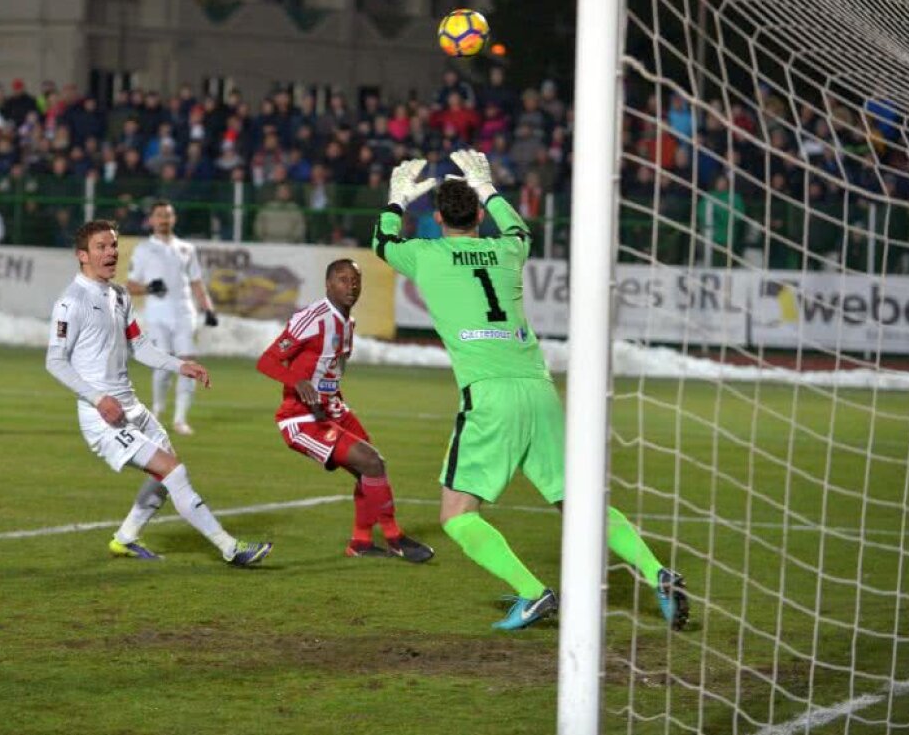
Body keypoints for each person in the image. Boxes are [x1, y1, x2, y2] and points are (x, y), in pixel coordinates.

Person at [372, 150, 689, 631]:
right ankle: (656, 571)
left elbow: (382, 241)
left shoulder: (426, 255)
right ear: (479, 216)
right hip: (540, 392)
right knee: (580, 504)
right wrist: (489, 189)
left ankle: (533, 592)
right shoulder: (507, 251)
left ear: (438, 220)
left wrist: (396, 200)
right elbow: (520, 230)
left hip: (490, 395)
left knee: (457, 516)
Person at [46, 219, 272, 565]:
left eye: (113, 245)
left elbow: (139, 346)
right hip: (103, 417)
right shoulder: (71, 302)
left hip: (132, 407)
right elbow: (55, 361)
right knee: (174, 472)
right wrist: (97, 398)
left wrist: (180, 365)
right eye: (101, 247)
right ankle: (230, 548)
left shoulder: (120, 295)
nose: (110, 252)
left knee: (165, 476)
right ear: (82, 255)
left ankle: (126, 537)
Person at [256, 259, 434, 563]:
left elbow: (329, 373)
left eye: (355, 280)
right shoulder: (313, 318)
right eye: (342, 279)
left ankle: (361, 543)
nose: (350, 286)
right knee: (371, 462)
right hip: (301, 417)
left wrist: (334, 403)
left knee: (372, 467)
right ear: (328, 284)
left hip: (331, 410)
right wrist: (297, 381)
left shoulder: (347, 323)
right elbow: (267, 360)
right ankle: (395, 538)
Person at [125, 202, 218, 436]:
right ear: (151, 220)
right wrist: (148, 288)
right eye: (159, 216)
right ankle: (157, 410)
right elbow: (131, 285)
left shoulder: (186, 248)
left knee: (188, 362)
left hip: (185, 313)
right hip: (158, 316)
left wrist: (208, 308)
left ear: (173, 219)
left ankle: (180, 419)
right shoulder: (143, 249)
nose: (164, 220)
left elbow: (196, 282)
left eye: (167, 215)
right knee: (164, 364)